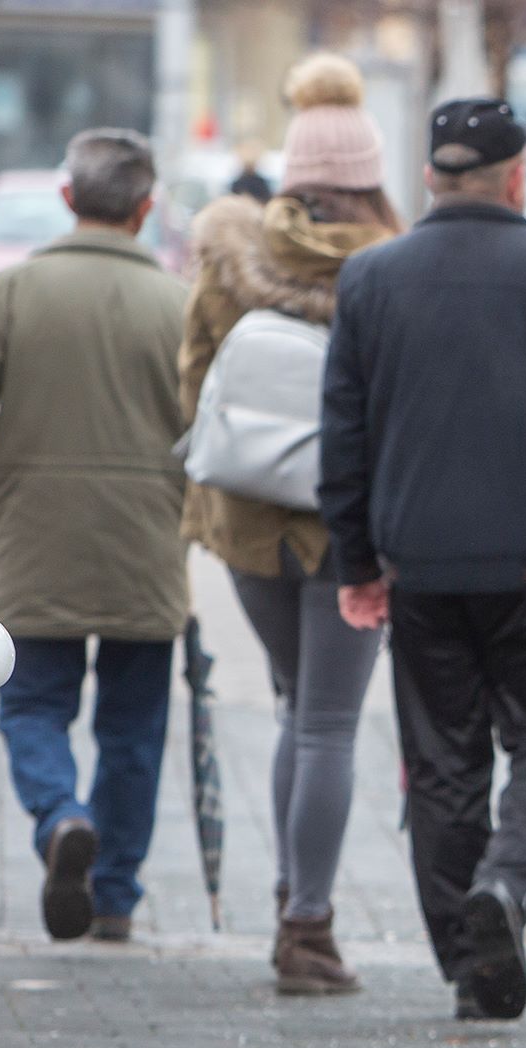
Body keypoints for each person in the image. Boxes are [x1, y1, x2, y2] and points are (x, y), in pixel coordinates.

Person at [319, 97, 526, 1022]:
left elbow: (343, 436)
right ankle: (504, 888)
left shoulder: (370, 278)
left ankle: (470, 965)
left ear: (430, 177)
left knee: (440, 765)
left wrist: (356, 561)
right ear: (517, 179)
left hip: (419, 566)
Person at [0, 129, 189, 944]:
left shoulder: (13, 292)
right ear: (145, 207)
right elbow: (210, 426)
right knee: (134, 727)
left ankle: (60, 816)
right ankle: (114, 894)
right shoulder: (178, 304)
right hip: (146, 541)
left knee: (33, 703)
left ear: (69, 198)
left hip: (36, 534)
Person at [179, 53, 400, 995]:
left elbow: (194, 384)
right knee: (328, 727)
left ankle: (287, 900)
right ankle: (307, 930)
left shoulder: (232, 258)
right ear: (369, 178)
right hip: (354, 531)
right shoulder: (396, 270)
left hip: (248, 526)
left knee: (292, 709)